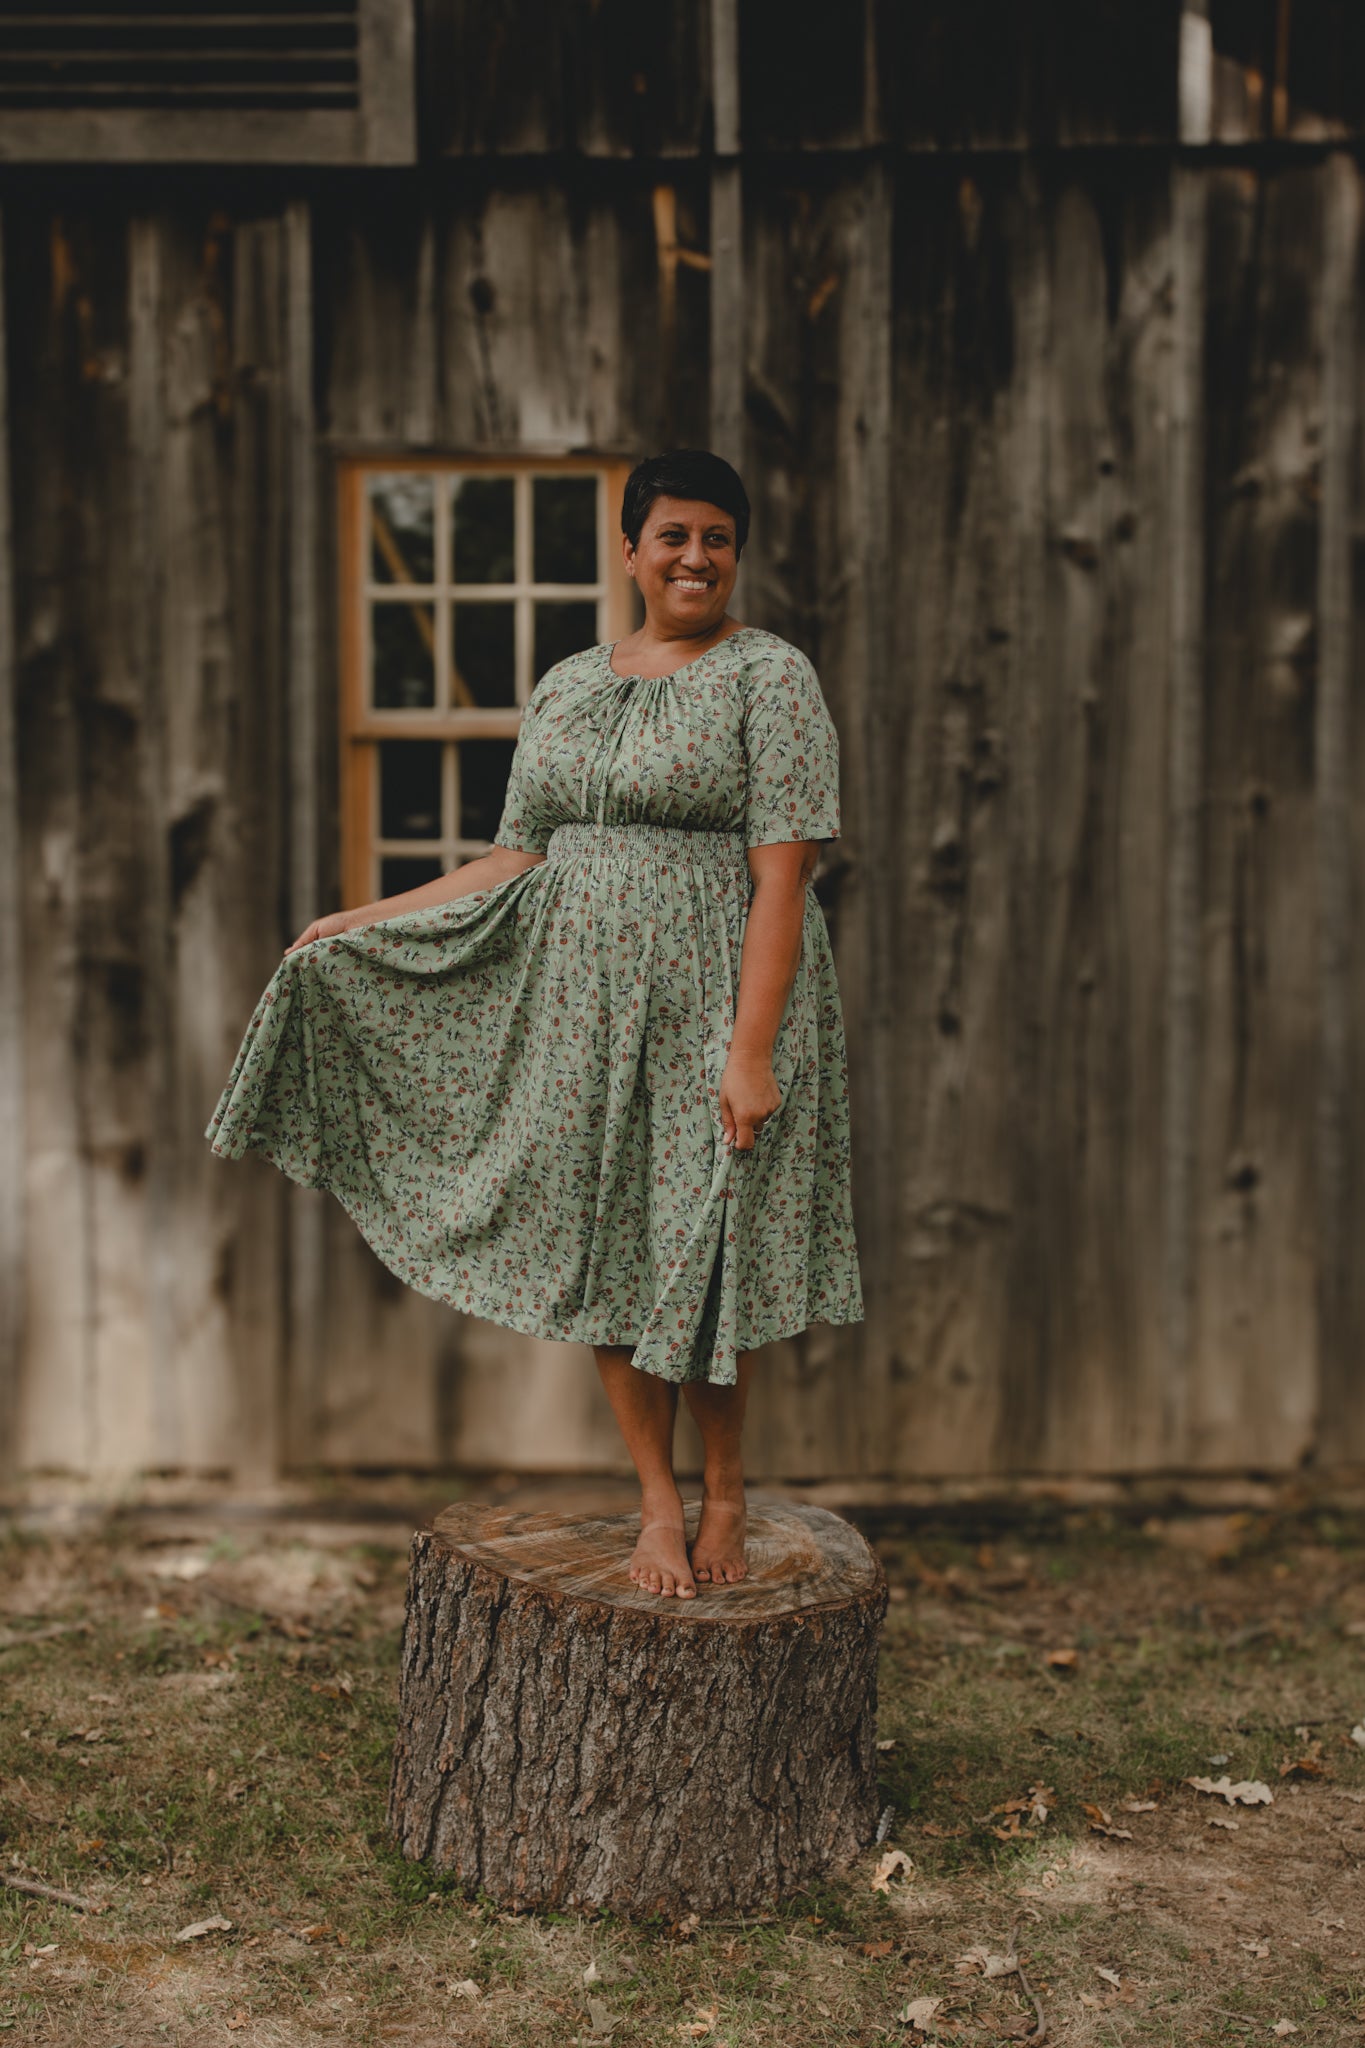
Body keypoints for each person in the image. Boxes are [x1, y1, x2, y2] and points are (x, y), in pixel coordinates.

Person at [207, 449, 863, 1601]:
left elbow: (783, 878)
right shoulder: (568, 683)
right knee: (606, 1243)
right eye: (672, 535)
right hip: (580, 1004)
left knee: (700, 1249)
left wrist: (749, 1051)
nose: (695, 556)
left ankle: (725, 1484)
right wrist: (358, 918)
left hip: (716, 997)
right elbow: (517, 853)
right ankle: (655, 1497)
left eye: (716, 536)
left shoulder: (771, 676)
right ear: (632, 552)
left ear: (736, 553)